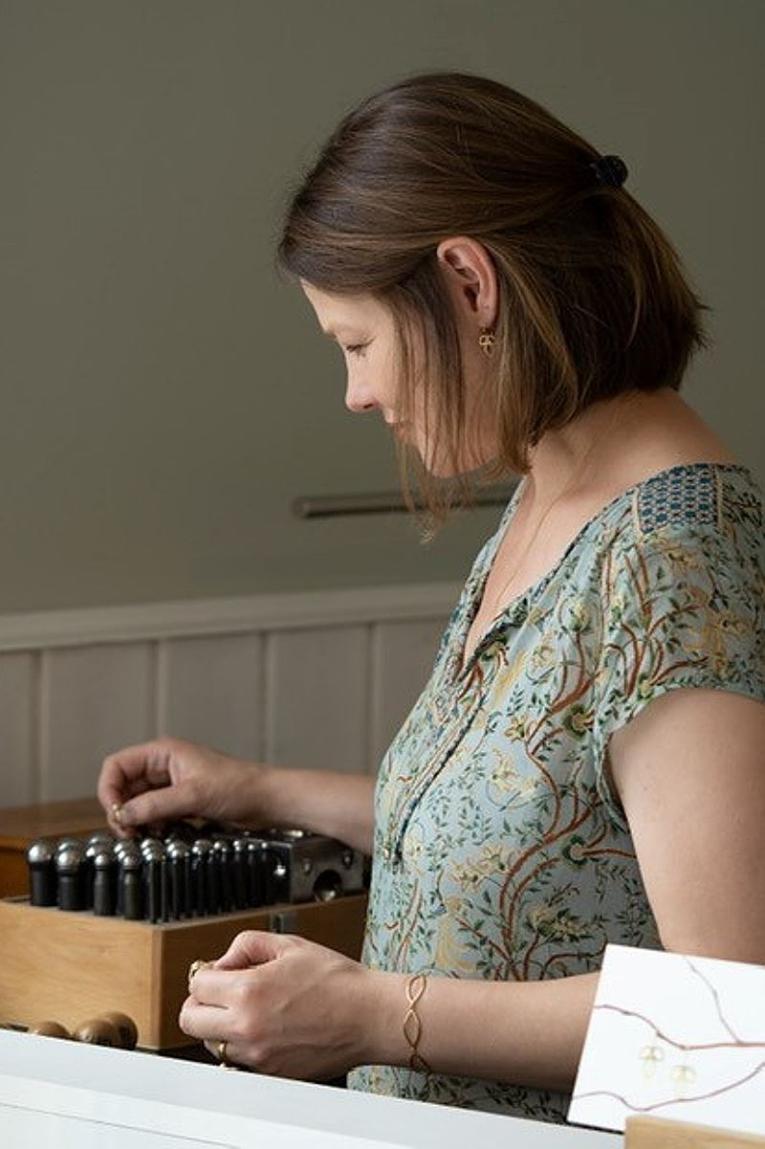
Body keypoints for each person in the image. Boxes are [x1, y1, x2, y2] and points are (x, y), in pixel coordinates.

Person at [97, 71, 764, 1122]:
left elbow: (736, 1027)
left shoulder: (674, 557)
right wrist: (256, 788)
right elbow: (537, 826)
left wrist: (372, 1015)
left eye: (357, 345)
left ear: (468, 282)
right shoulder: (549, 497)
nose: (357, 394)